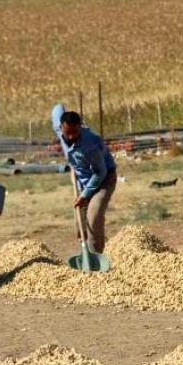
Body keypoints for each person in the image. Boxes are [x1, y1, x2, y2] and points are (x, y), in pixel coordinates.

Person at [51, 104, 117, 254]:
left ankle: (96, 256)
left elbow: (100, 172)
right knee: (79, 222)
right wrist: (59, 106)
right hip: (81, 178)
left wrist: (85, 195)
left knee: (93, 218)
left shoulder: (90, 144)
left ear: (80, 127)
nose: (72, 136)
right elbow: (57, 109)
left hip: (104, 179)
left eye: (76, 131)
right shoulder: (59, 128)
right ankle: (85, 253)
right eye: (68, 132)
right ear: (61, 127)